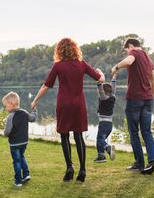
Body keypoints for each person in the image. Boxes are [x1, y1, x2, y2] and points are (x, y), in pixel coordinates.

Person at [31, 38, 104, 182]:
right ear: (75, 49)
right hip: (78, 105)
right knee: (78, 136)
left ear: (59, 50)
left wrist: (35, 100)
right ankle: (82, 170)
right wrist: (100, 72)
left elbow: (46, 86)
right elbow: (100, 79)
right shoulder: (82, 64)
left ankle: (69, 168)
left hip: (64, 104)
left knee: (64, 135)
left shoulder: (58, 66)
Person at [111, 38, 154, 175]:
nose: (127, 52)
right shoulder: (148, 58)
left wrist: (116, 67)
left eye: (126, 49)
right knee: (146, 131)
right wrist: (150, 95)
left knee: (133, 132)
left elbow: (129, 61)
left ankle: (139, 163)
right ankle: (153, 161)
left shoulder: (134, 53)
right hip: (147, 99)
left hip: (134, 100)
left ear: (130, 46)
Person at [2, 91, 38, 187]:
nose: (5, 108)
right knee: (21, 156)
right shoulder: (25, 112)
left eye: (6, 106)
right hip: (24, 142)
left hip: (14, 143)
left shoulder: (10, 116)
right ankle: (26, 174)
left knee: (16, 160)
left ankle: (18, 181)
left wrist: (5, 134)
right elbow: (33, 118)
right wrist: (34, 110)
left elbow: (7, 131)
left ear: (11, 104)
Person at [93, 69, 116, 163]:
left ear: (104, 91)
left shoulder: (103, 98)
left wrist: (100, 77)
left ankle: (108, 148)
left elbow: (100, 89)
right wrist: (114, 76)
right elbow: (114, 87)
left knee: (100, 139)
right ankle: (101, 156)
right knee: (100, 139)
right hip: (109, 125)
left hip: (103, 124)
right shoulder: (113, 97)